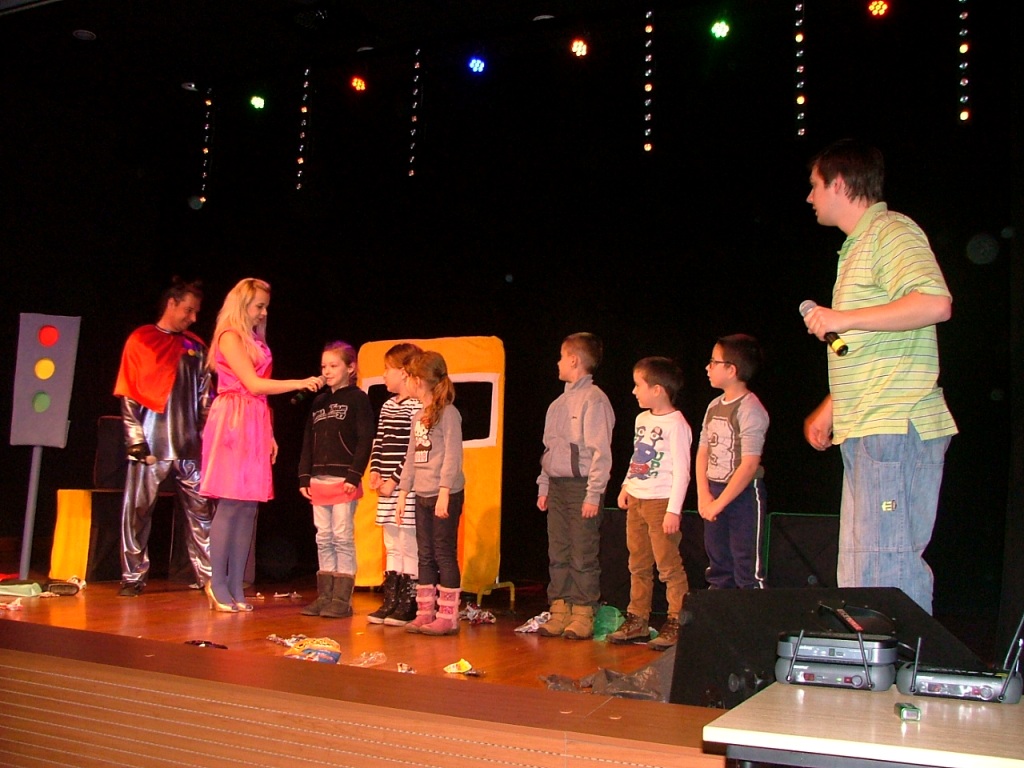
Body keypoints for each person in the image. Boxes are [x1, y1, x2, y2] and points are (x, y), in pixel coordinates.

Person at [802, 138, 957, 615]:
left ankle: (902, 656)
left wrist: (842, 319)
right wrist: (831, 407)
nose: (809, 197)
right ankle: (873, 659)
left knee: (885, 566)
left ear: (839, 184)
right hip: (868, 424)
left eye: (815, 185)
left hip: (894, 424)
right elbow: (878, 346)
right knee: (860, 569)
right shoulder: (856, 248)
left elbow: (935, 303)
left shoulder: (891, 231)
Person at [199, 278, 323, 612]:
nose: (264, 312)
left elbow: (260, 395)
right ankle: (217, 582)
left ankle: (236, 585)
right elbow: (253, 384)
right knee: (230, 503)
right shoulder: (229, 336)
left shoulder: (256, 340)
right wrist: (299, 382)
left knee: (248, 507)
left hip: (254, 418)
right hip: (233, 419)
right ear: (242, 305)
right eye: (259, 306)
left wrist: (268, 432)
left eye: (266, 306)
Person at [113, 277, 214, 597]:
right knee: (137, 511)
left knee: (201, 513)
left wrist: (209, 437)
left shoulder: (196, 347)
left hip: (189, 445)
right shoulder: (141, 340)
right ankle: (132, 575)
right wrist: (135, 439)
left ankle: (209, 577)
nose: (193, 318)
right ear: (171, 304)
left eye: (196, 312)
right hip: (151, 443)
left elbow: (206, 398)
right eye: (188, 310)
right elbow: (129, 393)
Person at [609, 356, 693, 651]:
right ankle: (637, 618)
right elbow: (637, 457)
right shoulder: (641, 420)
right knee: (638, 563)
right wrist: (626, 485)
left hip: (660, 503)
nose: (634, 391)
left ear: (657, 389)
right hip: (637, 499)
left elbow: (682, 471)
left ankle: (676, 620)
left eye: (638, 385)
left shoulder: (677, 424)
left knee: (668, 566)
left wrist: (673, 510)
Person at [536, 332, 616, 641]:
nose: (557, 362)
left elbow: (600, 453)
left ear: (574, 360)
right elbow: (549, 450)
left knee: (583, 552)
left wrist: (593, 493)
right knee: (558, 550)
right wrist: (544, 486)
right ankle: (560, 608)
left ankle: (583, 612)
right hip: (557, 487)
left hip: (582, 486)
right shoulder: (557, 404)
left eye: (561, 356)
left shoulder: (595, 400)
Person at [298, 340, 375, 619]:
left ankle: (342, 599)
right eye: (323, 366)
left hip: (344, 478)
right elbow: (308, 440)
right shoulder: (319, 402)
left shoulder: (358, 399)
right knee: (323, 536)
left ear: (350, 368)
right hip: (319, 479)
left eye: (333, 365)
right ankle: (325, 596)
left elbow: (365, 438)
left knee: (342, 536)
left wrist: (355, 474)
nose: (327, 371)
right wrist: (304, 475)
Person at [395, 350, 465, 636]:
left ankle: (448, 616)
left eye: (410, 377)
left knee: (443, 552)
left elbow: (452, 456)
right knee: (424, 553)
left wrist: (445, 491)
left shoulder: (448, 414)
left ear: (420, 380)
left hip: (442, 493)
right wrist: (403, 493)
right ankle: (425, 612)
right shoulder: (418, 416)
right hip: (422, 493)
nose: (407, 382)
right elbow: (411, 457)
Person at [695, 334, 770, 590]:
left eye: (713, 362)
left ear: (731, 369)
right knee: (718, 564)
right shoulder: (713, 406)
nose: (708, 367)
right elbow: (703, 451)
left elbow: (749, 464)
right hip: (714, 491)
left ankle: (752, 614)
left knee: (746, 566)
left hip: (743, 495)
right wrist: (704, 494)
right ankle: (720, 611)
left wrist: (719, 503)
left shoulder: (750, 409)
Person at [366, 342, 424, 627]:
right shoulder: (388, 405)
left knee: (408, 541)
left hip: (405, 488)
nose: (384, 375)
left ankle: (409, 602)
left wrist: (395, 480)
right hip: (386, 487)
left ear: (403, 372)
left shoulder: (418, 406)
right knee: (392, 542)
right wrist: (376, 470)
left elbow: (412, 450)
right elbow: (380, 440)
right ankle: (391, 599)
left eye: (387, 369)